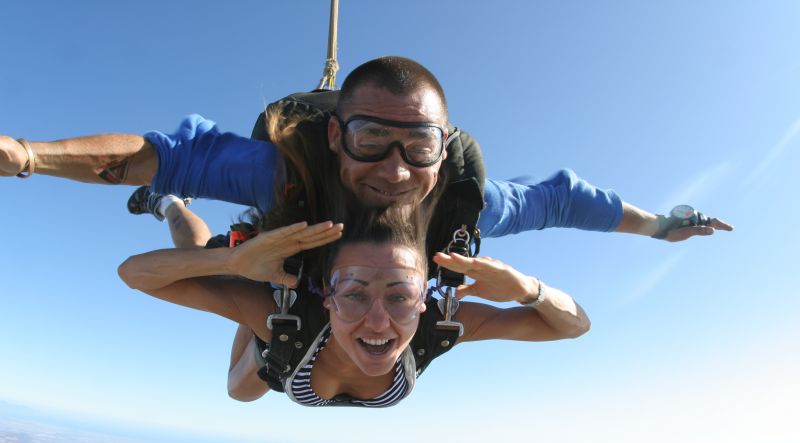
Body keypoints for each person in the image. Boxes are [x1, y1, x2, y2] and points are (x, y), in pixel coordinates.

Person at [0, 57, 732, 246]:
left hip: (364, 285)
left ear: (442, 151)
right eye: (371, 141)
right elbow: (166, 154)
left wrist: (662, 224)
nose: (395, 169)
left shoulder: (465, 202)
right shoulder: (279, 175)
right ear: (334, 139)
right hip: (290, 234)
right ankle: (169, 211)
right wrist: (30, 156)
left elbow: (564, 200)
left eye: (419, 147)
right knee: (220, 275)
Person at [118, 203, 590, 406]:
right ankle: (173, 205)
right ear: (326, 295)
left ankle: (255, 292)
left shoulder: (443, 321)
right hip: (284, 326)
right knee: (202, 261)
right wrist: (233, 261)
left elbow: (575, 326)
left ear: (423, 300)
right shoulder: (284, 312)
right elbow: (133, 274)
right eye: (355, 294)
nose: (378, 322)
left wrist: (528, 288)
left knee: (241, 382)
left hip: (280, 332)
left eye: (400, 295)